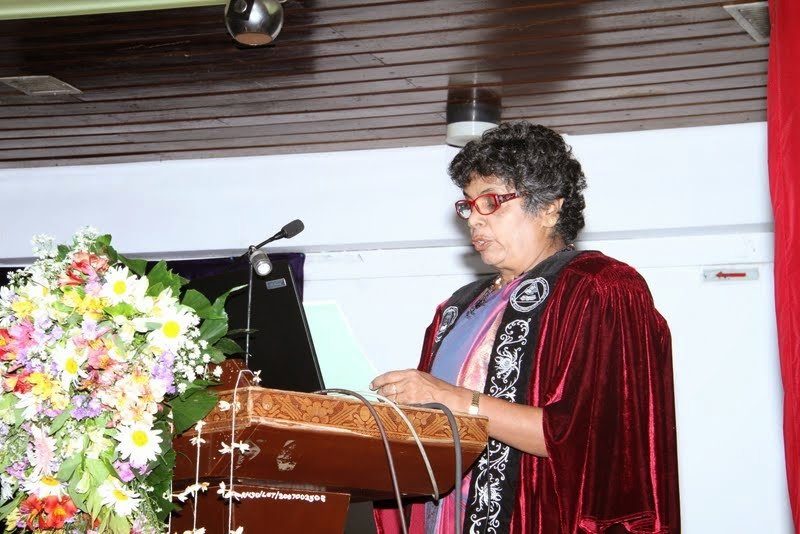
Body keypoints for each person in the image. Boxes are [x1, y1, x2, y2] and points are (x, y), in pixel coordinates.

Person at [370, 122, 680, 533]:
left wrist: (450, 398)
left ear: (549, 207)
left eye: (491, 201)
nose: (474, 220)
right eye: (468, 205)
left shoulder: (598, 288)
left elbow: (589, 442)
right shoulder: (456, 308)